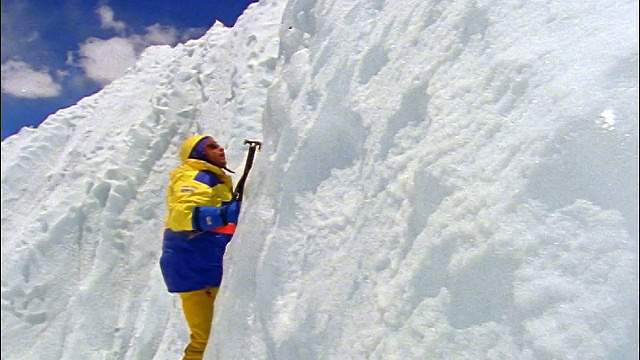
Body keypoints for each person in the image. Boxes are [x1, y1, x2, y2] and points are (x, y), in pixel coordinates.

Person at [159, 134, 241, 360]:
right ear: (197, 154)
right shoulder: (194, 175)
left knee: (213, 337)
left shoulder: (215, 179)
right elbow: (181, 215)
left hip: (204, 266)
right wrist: (223, 214)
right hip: (193, 268)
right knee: (204, 341)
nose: (221, 149)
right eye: (212, 147)